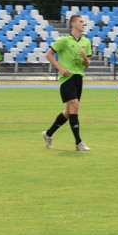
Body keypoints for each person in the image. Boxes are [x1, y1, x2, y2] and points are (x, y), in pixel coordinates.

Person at [42, 14, 92, 151]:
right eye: (81, 22)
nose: (84, 24)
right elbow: (48, 54)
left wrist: (85, 59)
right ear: (73, 24)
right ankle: (78, 142)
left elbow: (87, 64)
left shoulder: (86, 42)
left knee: (69, 112)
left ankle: (48, 133)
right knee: (75, 106)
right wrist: (61, 68)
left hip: (78, 78)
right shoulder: (64, 40)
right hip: (67, 78)